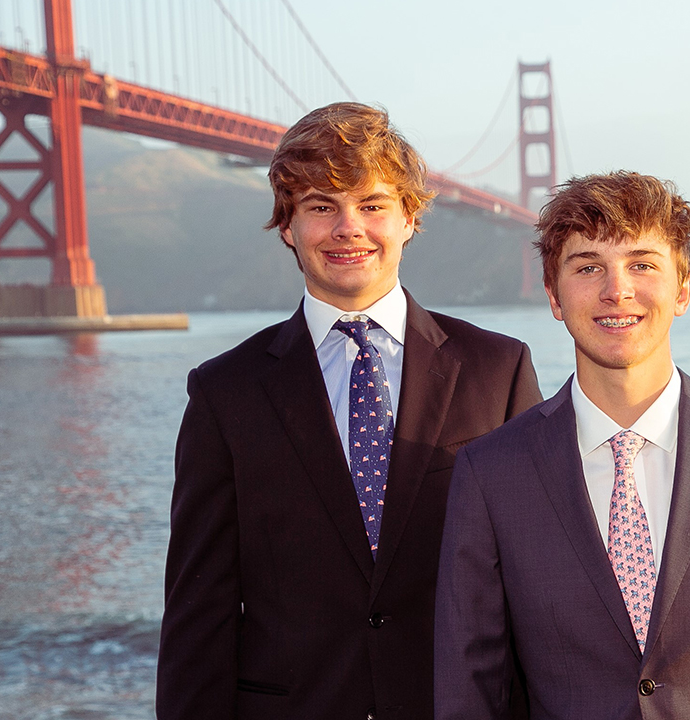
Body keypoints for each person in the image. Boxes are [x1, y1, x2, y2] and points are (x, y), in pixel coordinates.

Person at [156, 102, 542, 720]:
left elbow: (537, 586)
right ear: (287, 226)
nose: (348, 227)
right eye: (320, 206)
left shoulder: (498, 371)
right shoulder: (223, 392)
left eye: (372, 204)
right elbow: (198, 615)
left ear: (410, 218)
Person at [433, 171, 690, 719]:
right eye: (588, 266)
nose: (617, 289)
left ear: (684, 289)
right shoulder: (491, 472)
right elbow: (470, 686)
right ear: (553, 295)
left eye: (642, 264)